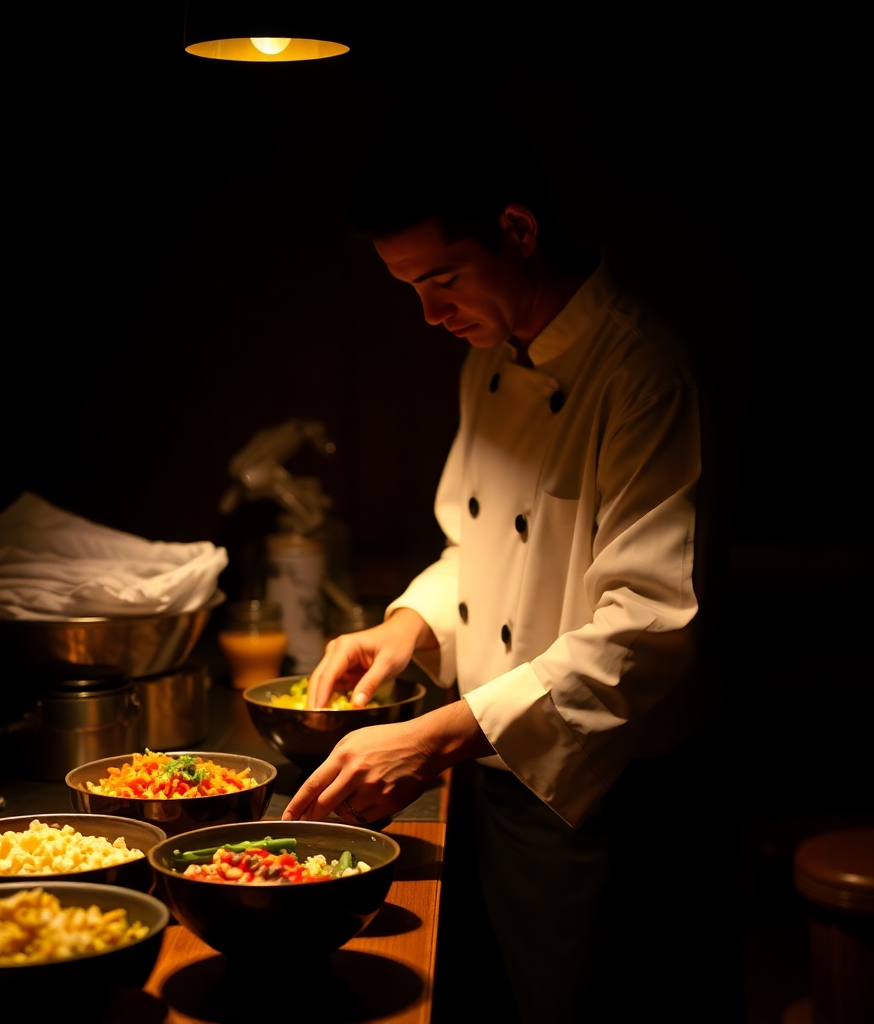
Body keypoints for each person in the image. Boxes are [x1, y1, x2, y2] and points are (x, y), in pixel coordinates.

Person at [283, 115, 735, 1022]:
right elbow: (476, 549)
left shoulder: (640, 373)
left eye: (442, 278)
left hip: (603, 798)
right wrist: (403, 629)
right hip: (492, 776)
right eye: (409, 287)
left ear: (519, 232)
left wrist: (433, 735)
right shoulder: (487, 358)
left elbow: (648, 628)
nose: (429, 312)